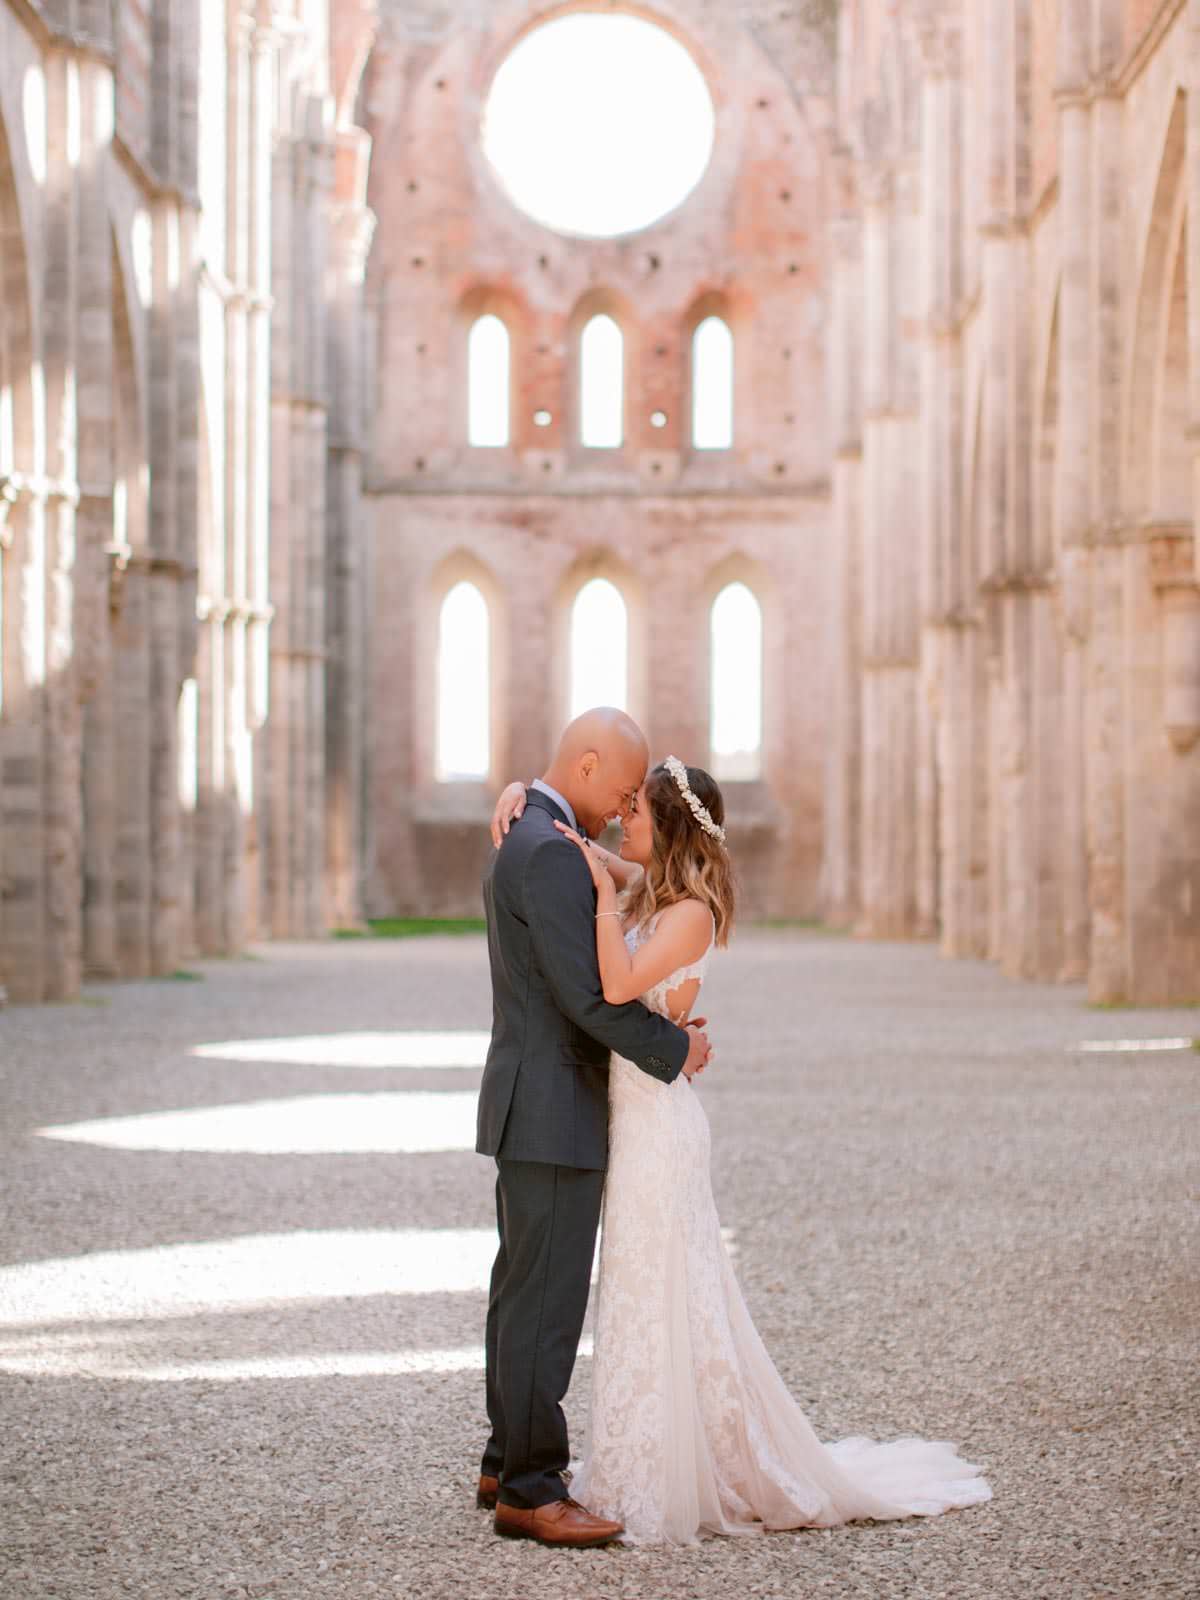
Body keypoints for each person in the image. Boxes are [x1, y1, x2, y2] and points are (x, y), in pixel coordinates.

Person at [488, 755, 992, 1546]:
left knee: (662, 1290)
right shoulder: (655, 888)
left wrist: (596, 899)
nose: (625, 821)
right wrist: (522, 794)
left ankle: (684, 1466)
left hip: (658, 1127)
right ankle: (629, 1457)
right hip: (633, 1112)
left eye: (640, 814)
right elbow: (575, 844)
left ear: (673, 826)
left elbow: (615, 987)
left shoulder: (687, 911)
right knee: (636, 1290)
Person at [475, 708, 713, 1549]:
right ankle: (533, 1491)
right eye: (618, 789)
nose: (621, 809)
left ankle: (508, 1459)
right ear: (583, 764)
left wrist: (522, 793)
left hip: (538, 1102)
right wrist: (673, 1049)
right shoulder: (544, 850)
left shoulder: (534, 834)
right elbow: (585, 998)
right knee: (543, 1303)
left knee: (522, 1291)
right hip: (553, 1105)